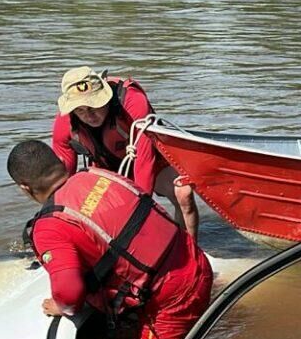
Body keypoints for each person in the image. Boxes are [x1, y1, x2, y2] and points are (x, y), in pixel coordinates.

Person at [8, 139, 214, 339]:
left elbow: (70, 294)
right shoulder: (100, 174)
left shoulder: (49, 226)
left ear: (25, 187)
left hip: (175, 298)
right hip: (195, 260)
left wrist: (61, 306)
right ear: (60, 162)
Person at [51, 65, 200, 239]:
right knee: (96, 213)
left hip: (145, 157)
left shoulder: (133, 101)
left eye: (93, 106)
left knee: (184, 194)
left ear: (105, 97)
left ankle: (190, 251)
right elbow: (61, 181)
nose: (89, 116)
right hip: (105, 165)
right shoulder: (65, 122)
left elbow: (145, 159)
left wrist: (140, 212)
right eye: (80, 110)